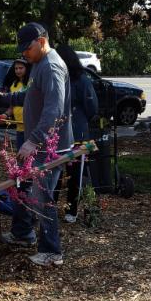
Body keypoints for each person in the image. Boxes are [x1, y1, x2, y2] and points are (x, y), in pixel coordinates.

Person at [0, 22, 73, 266]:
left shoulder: (52, 67)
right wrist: (5, 98)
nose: (23, 54)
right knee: (25, 189)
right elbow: (31, 95)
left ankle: (52, 252)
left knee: (42, 197)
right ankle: (23, 234)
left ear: (41, 41)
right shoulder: (39, 64)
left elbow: (54, 110)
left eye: (26, 48)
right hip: (38, 144)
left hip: (49, 148)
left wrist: (35, 140)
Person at [55, 44, 98, 223]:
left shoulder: (79, 79)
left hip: (71, 134)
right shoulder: (79, 80)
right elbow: (92, 108)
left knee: (66, 174)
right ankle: (67, 210)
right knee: (68, 174)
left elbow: (91, 107)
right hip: (71, 133)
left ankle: (67, 209)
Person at [0, 58, 30, 149]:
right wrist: (5, 115)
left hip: (31, 128)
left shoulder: (31, 84)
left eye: (21, 68)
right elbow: (12, 107)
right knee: (21, 157)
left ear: (26, 68)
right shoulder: (13, 85)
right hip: (19, 128)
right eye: (16, 68)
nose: (18, 70)